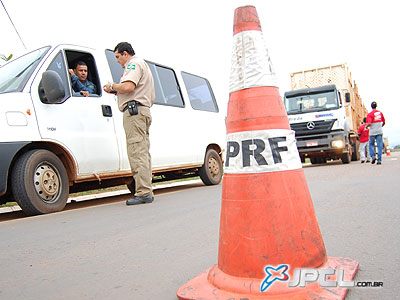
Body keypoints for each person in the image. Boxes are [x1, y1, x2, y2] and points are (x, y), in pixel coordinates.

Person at [103, 42, 155, 205]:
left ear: (125, 53)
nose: (117, 61)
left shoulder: (133, 64)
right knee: (143, 152)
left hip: (134, 112)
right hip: (142, 111)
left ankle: (143, 192)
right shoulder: (142, 64)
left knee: (136, 151)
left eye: (118, 57)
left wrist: (112, 86)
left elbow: (128, 86)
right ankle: (146, 190)